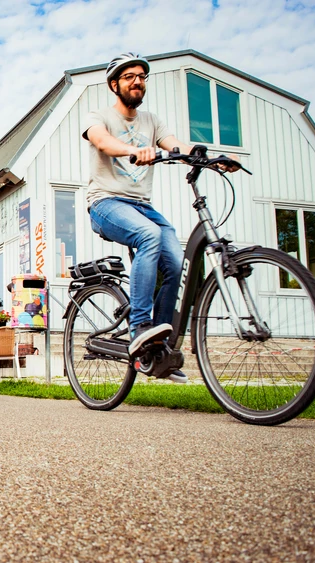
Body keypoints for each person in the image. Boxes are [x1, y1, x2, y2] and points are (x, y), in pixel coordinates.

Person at [81, 52, 239, 383]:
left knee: (177, 265)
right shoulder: (99, 115)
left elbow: (176, 146)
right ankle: (140, 327)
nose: (137, 81)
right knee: (148, 235)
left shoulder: (152, 121)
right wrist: (133, 150)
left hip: (142, 206)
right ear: (114, 85)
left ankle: (159, 350)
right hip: (106, 203)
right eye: (129, 77)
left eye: (141, 76)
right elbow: (102, 141)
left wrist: (212, 158)